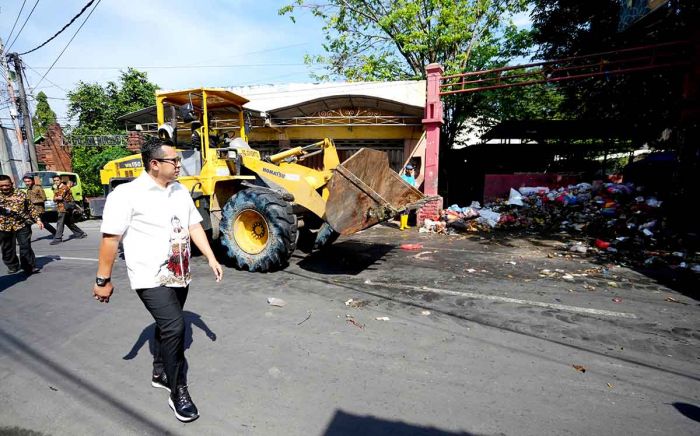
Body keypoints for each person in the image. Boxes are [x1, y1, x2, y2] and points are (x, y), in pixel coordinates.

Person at [92, 137, 223, 423]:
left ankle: (159, 369)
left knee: (167, 325)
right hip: (148, 276)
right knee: (175, 326)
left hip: (179, 272)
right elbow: (111, 238)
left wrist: (211, 257)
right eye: (173, 161)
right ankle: (178, 391)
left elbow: (193, 225)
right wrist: (103, 279)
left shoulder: (179, 190)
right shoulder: (126, 194)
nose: (179, 165)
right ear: (154, 164)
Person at [0, 175, 45, 274]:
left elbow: (31, 208)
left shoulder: (21, 194)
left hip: (22, 224)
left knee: (25, 246)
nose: (4, 188)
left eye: (6, 185)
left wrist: (38, 219)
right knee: (7, 248)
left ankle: (29, 266)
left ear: (11, 184)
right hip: (3, 226)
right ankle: (13, 266)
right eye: (1, 186)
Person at [50, 176, 86, 245]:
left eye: (57, 180)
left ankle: (58, 238)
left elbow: (59, 197)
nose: (56, 182)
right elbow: (54, 198)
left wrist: (56, 197)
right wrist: (56, 198)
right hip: (62, 207)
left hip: (64, 207)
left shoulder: (64, 187)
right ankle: (80, 233)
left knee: (60, 222)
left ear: (60, 180)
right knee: (68, 222)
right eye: (54, 180)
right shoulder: (57, 188)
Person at [399, 164, 417, 230]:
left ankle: (405, 224)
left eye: (412, 169)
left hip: (410, 196)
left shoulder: (412, 178)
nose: (412, 170)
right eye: (410, 169)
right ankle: (401, 225)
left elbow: (414, 186)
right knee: (402, 210)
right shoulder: (403, 177)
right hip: (403, 196)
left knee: (407, 210)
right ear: (407, 170)